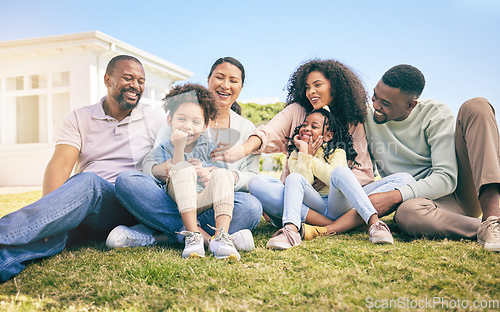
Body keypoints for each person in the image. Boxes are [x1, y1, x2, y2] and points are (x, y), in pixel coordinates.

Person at [0, 55, 164, 283]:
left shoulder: (155, 119)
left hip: (129, 203)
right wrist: (52, 218)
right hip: (87, 208)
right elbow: (60, 164)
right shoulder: (80, 117)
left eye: (141, 81)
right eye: (128, 78)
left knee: (89, 182)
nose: (136, 86)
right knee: (57, 235)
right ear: (108, 80)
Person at [212, 59, 413, 238]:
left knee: (404, 180)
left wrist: (329, 179)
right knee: (258, 184)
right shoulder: (298, 112)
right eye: (307, 87)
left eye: (318, 85)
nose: (311, 92)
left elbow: (364, 174)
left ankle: (328, 226)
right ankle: (341, 225)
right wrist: (244, 149)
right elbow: (268, 132)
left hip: (341, 199)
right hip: (305, 199)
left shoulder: (353, 123)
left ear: (335, 87)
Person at [106, 57, 262, 253]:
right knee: (127, 180)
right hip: (170, 198)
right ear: (208, 79)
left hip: (209, 203)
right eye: (220, 77)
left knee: (251, 206)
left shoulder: (245, 128)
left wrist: (224, 176)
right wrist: (159, 170)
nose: (225, 85)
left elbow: (249, 177)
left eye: (233, 80)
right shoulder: (177, 114)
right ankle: (208, 237)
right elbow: (152, 163)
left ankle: (162, 236)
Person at [363, 64, 500, 251]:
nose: (376, 106)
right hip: (422, 204)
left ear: (411, 105)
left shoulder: (435, 114)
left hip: (460, 194)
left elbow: (446, 178)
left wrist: (394, 196)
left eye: (385, 103)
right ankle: (484, 230)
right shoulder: (366, 117)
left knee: (477, 106)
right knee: (406, 214)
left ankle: (493, 218)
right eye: (375, 96)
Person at [266, 108, 408, 250]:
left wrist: (312, 160)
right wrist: (304, 153)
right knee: (293, 178)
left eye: (314, 126)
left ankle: (374, 223)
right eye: (304, 125)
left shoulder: (337, 152)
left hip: (339, 205)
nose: (306, 128)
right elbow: (304, 183)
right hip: (316, 206)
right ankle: (291, 231)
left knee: (404, 178)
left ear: (327, 136)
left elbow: (334, 177)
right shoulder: (296, 155)